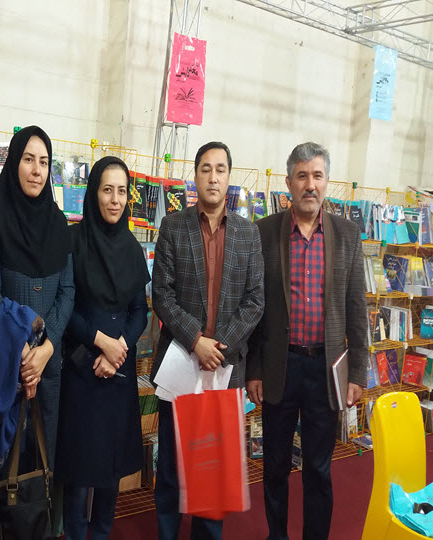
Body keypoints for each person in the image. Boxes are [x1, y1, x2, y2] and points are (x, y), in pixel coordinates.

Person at [246, 142, 368, 540]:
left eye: (317, 176)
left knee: (318, 468)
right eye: (302, 176)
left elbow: (357, 308)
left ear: (327, 182)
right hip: (280, 367)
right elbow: (255, 308)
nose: (310, 185)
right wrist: (254, 369)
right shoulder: (264, 232)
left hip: (325, 369)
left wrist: (358, 374)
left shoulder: (347, 235)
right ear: (288, 183)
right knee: (275, 466)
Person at [151, 141, 265, 540]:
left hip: (225, 370)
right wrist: (196, 340)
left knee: (212, 473)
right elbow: (161, 295)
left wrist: (219, 347)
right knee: (171, 467)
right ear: (195, 175)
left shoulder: (248, 234)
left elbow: (255, 300)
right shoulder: (173, 227)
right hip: (180, 363)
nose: (213, 177)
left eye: (220, 169)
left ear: (229, 177)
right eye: (205, 169)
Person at [56, 156, 150, 540]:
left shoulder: (132, 248)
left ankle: (101, 533)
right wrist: (101, 343)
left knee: (111, 470)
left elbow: (140, 311)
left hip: (118, 371)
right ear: (93, 192)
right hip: (81, 366)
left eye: (122, 191)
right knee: (79, 472)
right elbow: (66, 306)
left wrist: (119, 349)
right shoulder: (72, 241)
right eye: (107, 190)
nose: (115, 200)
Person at [0, 125, 74, 472]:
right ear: (14, 162)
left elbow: (67, 291)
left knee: (41, 461)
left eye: (44, 162)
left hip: (48, 363)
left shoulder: (58, 222)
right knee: (0, 467)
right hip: (7, 360)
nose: (36, 170)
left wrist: (44, 350)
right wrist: (22, 352)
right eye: (28, 160)